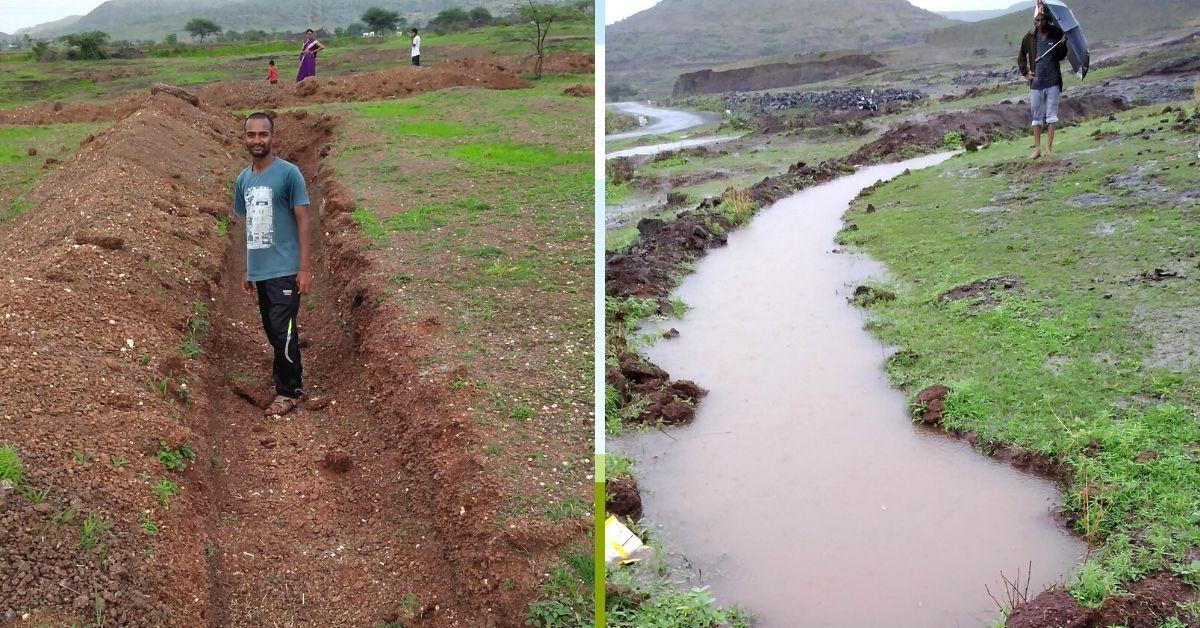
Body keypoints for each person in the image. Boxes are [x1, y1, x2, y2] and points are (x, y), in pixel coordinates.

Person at [232, 112, 312, 416]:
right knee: (273, 329)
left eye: (262, 134)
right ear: (244, 138)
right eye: (251, 135)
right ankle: (286, 375)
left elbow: (304, 220)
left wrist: (303, 268)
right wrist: (247, 268)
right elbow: (248, 225)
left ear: (272, 137)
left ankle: (289, 391)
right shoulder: (243, 179)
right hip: (261, 270)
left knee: (283, 329)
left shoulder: (289, 174)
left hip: (286, 268)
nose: (256, 140)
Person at [1018, 6, 1068, 159]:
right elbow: (1021, 55)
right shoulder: (1029, 37)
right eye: (1037, 20)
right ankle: (1037, 149)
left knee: (1051, 116)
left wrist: (1062, 44)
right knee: (1036, 117)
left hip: (1052, 80)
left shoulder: (1056, 33)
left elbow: (1060, 56)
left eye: (1042, 20)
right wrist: (1026, 72)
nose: (1039, 23)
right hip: (1036, 83)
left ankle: (1048, 148)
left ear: (1047, 20)